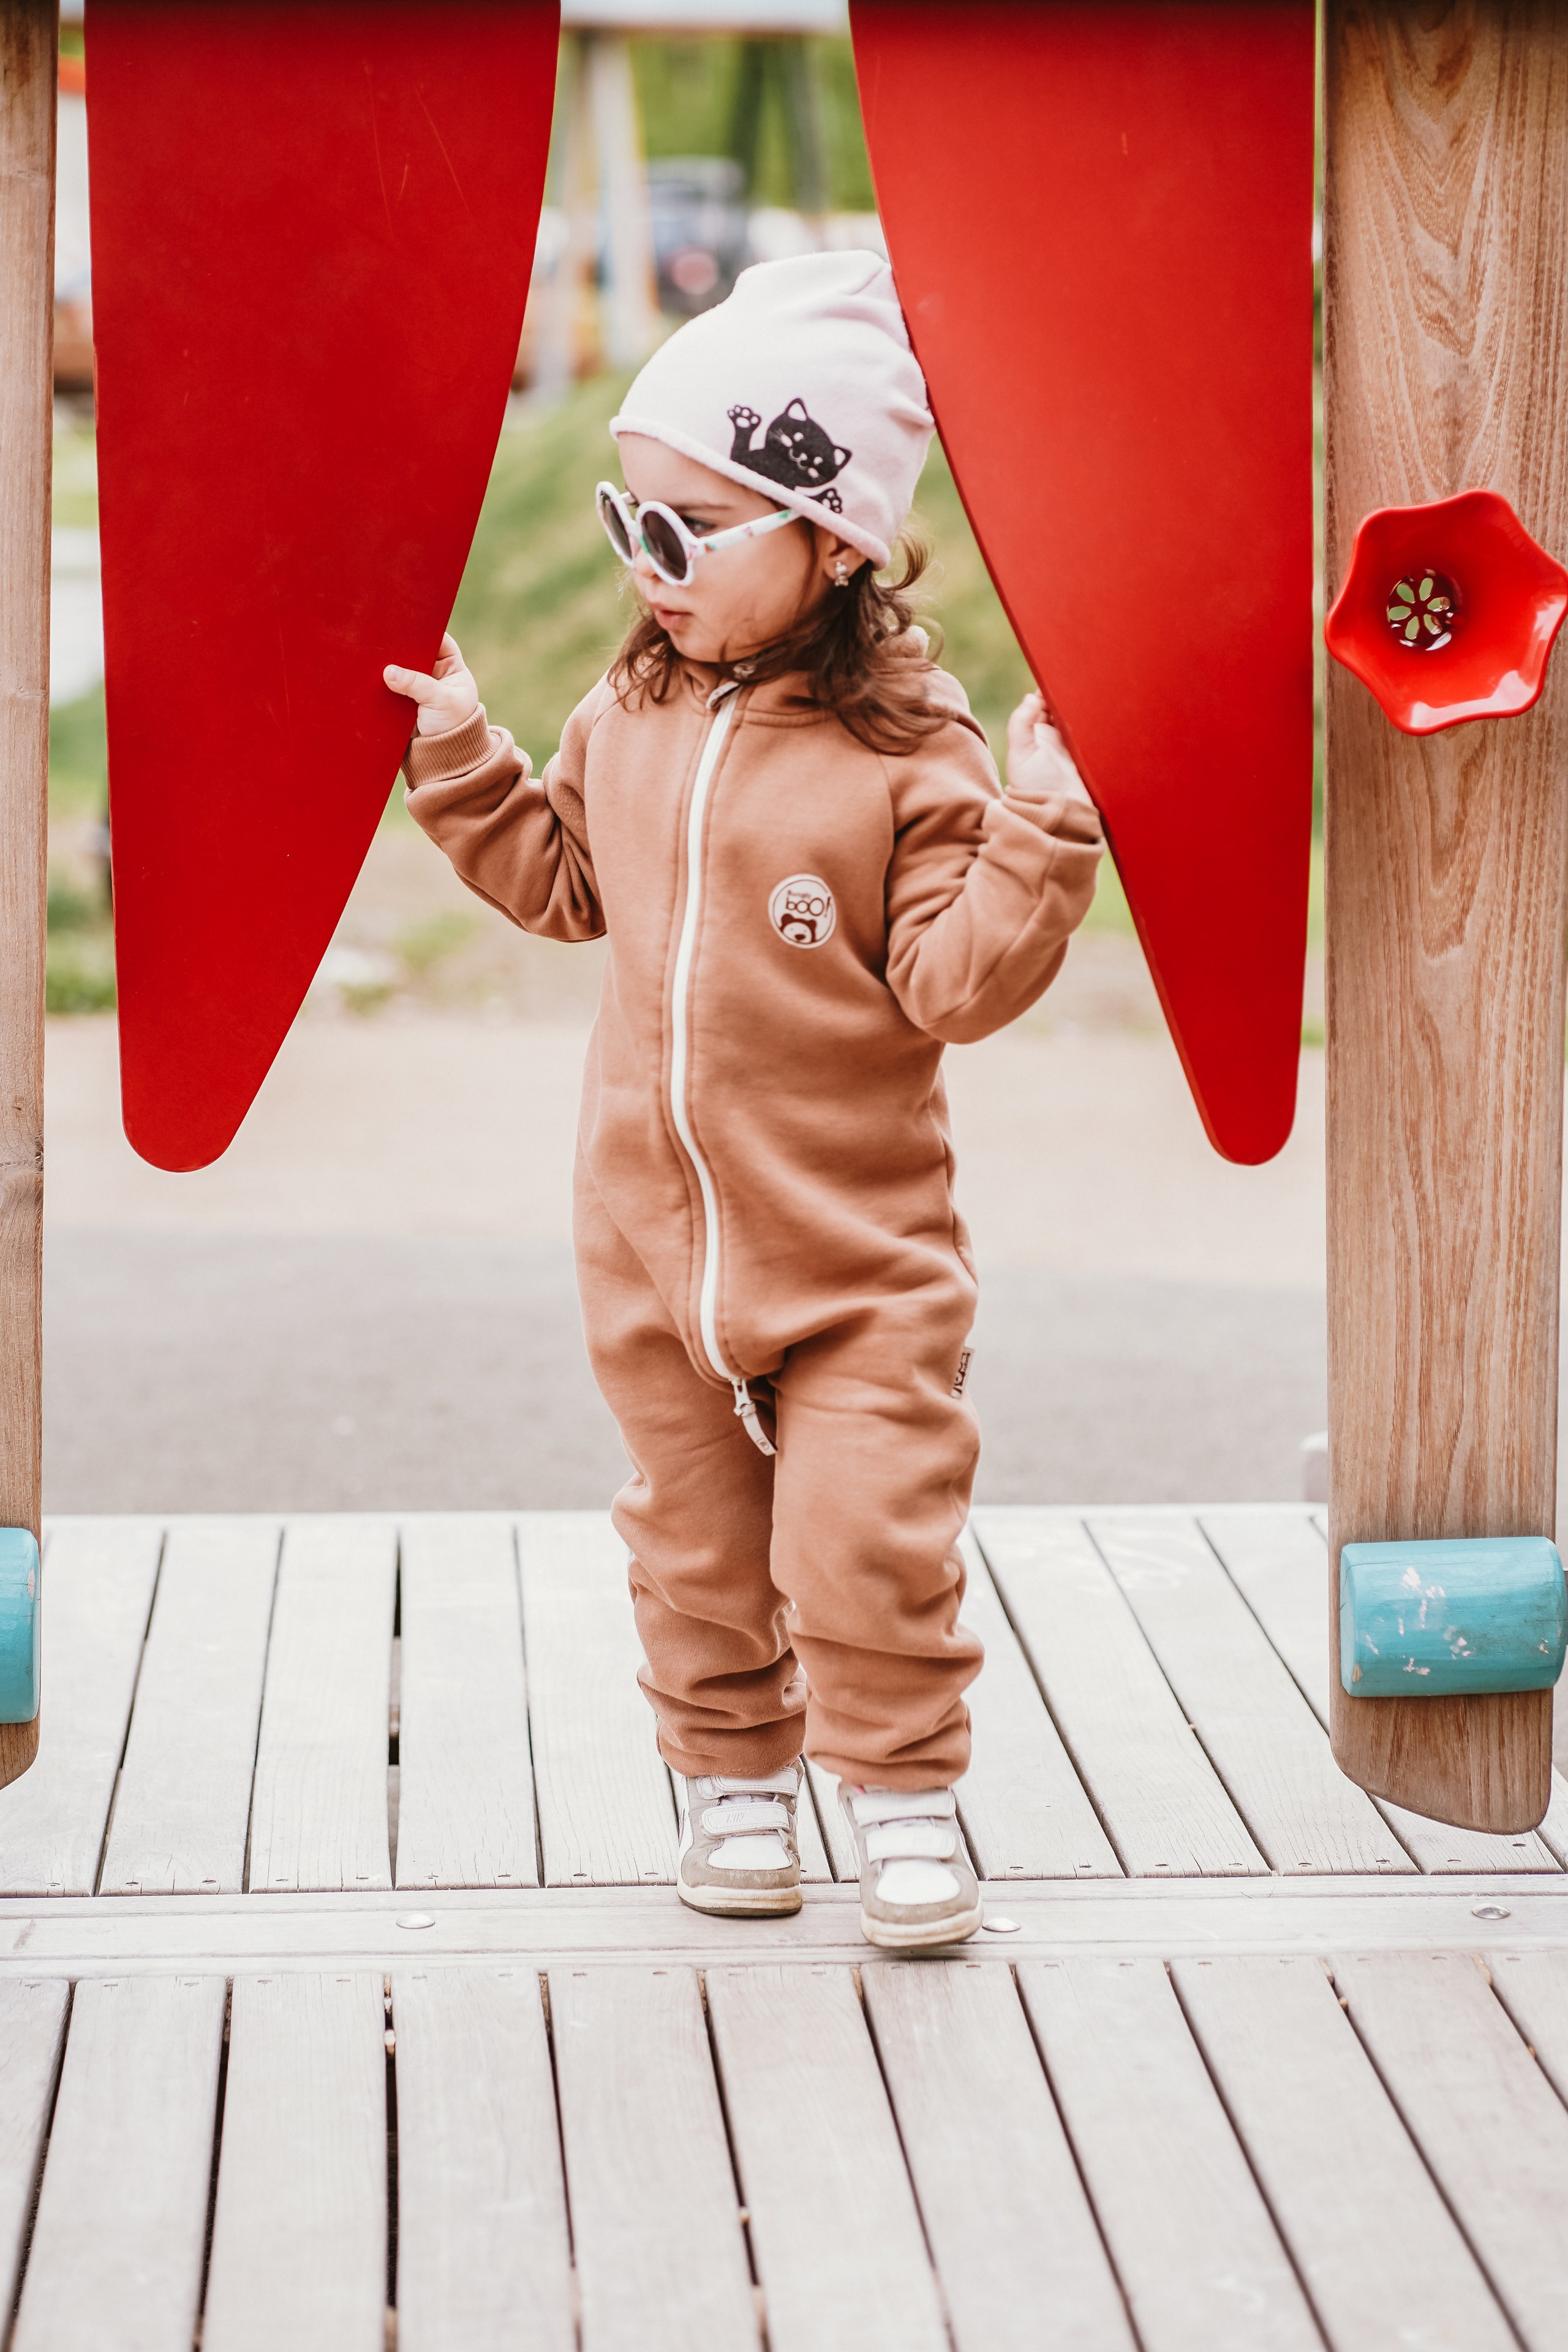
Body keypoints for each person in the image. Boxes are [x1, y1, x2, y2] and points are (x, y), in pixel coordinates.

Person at [385, 251, 1102, 1949]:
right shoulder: (627, 709)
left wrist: (1045, 834)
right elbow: (560, 881)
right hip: (650, 1251)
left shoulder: (913, 755)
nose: (645, 573)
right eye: (627, 525)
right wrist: (466, 753)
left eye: (685, 537)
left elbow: (957, 985)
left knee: (866, 1541)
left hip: (858, 1260)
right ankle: (733, 1781)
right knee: (699, 1557)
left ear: (833, 539)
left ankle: (907, 1794)